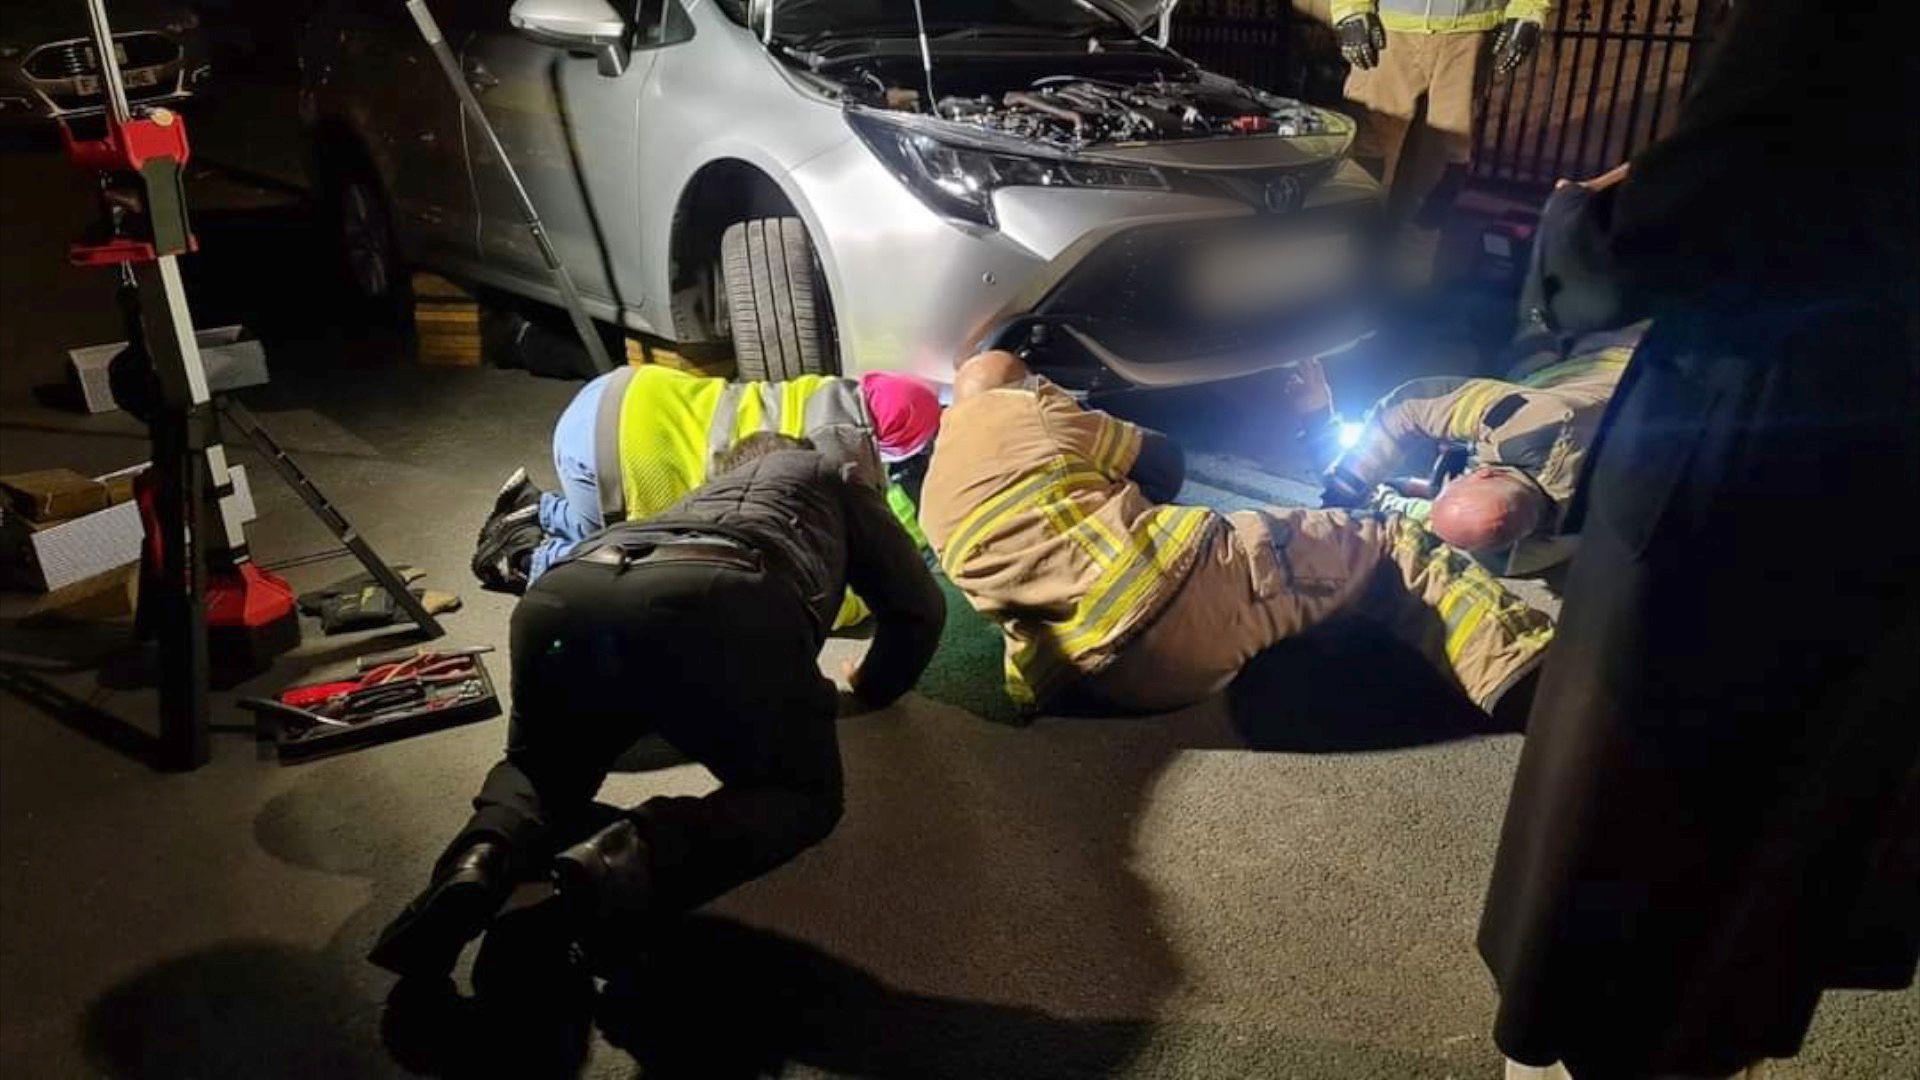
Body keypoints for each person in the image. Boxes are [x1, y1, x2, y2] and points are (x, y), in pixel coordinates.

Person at [1477, 2, 1920, 1076]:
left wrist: (1580, 215)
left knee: (1641, 784)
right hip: (1890, 457)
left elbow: (1665, 239)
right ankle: (1709, 1032)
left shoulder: (1822, 24)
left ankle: (1594, 1038)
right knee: (1802, 787)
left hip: (1750, 453)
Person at [371, 433, 945, 981]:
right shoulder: (825, 470)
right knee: (801, 796)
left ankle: (479, 860)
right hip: (723, 599)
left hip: (567, 593)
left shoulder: (689, 499)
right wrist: (874, 685)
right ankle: (620, 865)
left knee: (542, 769)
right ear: (792, 453)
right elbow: (917, 605)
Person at [919, 349, 1553, 717]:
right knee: (1393, 545)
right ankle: (1535, 679)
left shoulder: (932, 499)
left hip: (1094, 680)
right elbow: (1164, 465)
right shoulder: (1025, 407)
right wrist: (1089, 419)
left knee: (1310, 592)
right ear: (1023, 384)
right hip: (1178, 597)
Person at [472, 364, 941, 591]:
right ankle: (531, 560)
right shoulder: (842, 459)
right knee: (648, 556)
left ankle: (533, 509)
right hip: (621, 454)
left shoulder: (827, 389)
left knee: (598, 513)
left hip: (612, 394)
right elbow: (830, 589)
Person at [1321, 322, 1643, 576]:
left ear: (1485, 471)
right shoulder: (1526, 425)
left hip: (1633, 375)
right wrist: (1355, 482)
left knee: (1527, 357)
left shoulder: (1539, 551)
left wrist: (1357, 494)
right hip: (1630, 359)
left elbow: (1410, 408)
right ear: (1487, 473)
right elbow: (1413, 405)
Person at [1334, 0, 1547, 279]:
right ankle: (1348, 274)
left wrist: (1529, 11)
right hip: (1390, 32)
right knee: (1365, 161)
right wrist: (1350, 10)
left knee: (1445, 168)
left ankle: (1409, 281)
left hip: (1469, 38)